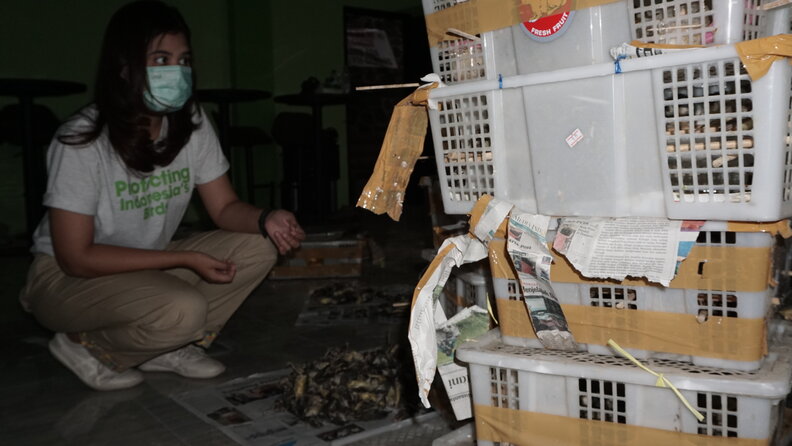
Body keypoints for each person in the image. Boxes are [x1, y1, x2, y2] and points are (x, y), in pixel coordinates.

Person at [18, 0, 305, 391]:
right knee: (182, 307)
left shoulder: (192, 124)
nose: (178, 71)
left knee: (258, 245)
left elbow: (224, 208)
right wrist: (184, 257)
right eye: (161, 59)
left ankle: (167, 344)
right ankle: (87, 347)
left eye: (184, 60)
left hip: (141, 268)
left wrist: (265, 218)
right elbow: (76, 257)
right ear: (124, 68)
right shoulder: (80, 141)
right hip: (63, 279)